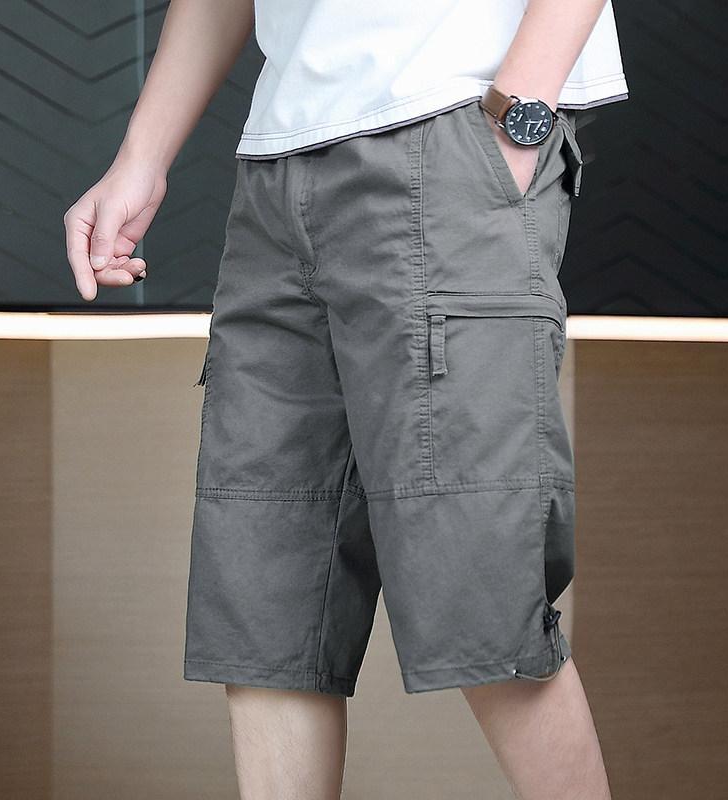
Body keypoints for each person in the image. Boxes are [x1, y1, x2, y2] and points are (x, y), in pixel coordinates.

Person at [63, 1, 628, 797]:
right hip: (277, 166)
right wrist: (140, 159)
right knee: (267, 616)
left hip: (449, 124)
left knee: (483, 600)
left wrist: (515, 119)